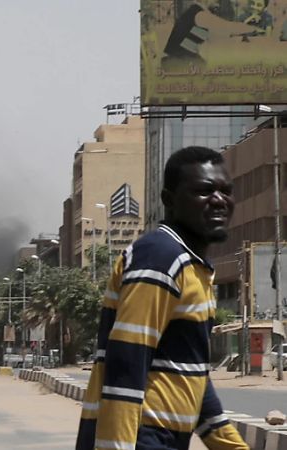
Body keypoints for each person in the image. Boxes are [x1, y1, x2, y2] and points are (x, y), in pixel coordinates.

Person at [76, 147, 247, 450]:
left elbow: (192, 375)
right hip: (142, 436)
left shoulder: (192, 266)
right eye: (205, 191)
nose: (219, 200)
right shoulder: (161, 258)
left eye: (226, 191)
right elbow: (127, 362)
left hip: (165, 437)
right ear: (169, 200)